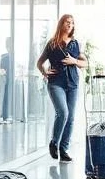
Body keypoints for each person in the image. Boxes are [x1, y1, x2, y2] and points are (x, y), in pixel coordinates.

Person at [37, 14, 86, 162]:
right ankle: (54, 142)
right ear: (61, 24)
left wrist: (74, 60)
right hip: (56, 83)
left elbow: (85, 63)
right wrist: (44, 72)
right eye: (67, 22)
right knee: (63, 112)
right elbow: (40, 62)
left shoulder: (76, 43)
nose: (70, 25)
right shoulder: (52, 43)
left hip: (72, 84)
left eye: (72, 23)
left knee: (70, 118)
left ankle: (64, 150)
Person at [0, 37, 13, 124]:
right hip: (7, 80)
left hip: (9, 80)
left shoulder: (9, 57)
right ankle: (5, 116)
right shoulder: (5, 57)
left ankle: (6, 116)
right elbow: (2, 70)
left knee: (7, 98)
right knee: (6, 98)